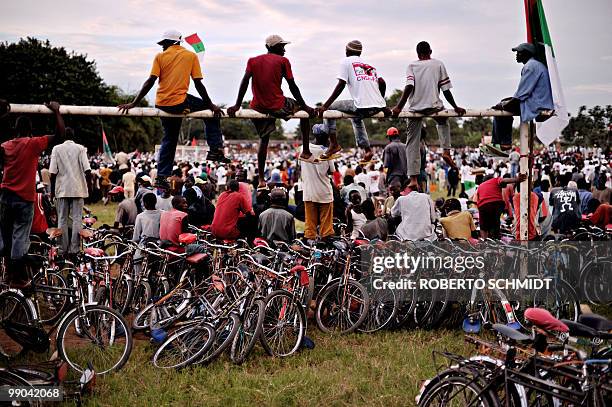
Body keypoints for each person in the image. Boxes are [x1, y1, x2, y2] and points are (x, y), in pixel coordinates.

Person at [118, 29, 228, 190]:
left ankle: (162, 176)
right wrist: (211, 105)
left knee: (169, 139)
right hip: (179, 102)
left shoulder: (160, 57)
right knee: (211, 113)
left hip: (162, 103)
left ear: (171, 43)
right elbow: (198, 83)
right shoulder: (191, 56)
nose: (163, 47)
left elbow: (150, 81)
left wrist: (134, 102)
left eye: (164, 44)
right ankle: (215, 149)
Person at [227, 35, 315, 188]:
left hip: (258, 106)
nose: (284, 49)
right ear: (273, 47)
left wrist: (237, 105)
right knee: (304, 113)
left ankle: (261, 179)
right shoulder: (283, 61)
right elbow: (292, 86)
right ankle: (306, 150)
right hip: (278, 105)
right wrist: (305, 106)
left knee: (264, 140)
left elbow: (244, 82)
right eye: (282, 46)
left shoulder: (252, 60)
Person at [0, 100, 64, 286]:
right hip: (24, 198)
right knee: (20, 236)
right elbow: (60, 135)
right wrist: (57, 112)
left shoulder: (6, 146)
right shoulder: (33, 144)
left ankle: (8, 273)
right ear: (30, 130)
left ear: (15, 129)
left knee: (6, 236)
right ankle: (17, 278)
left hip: (5, 196)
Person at [392, 41, 466, 187]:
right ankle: (446, 150)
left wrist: (399, 107)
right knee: (443, 121)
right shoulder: (438, 64)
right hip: (434, 106)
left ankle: (413, 179)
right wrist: (455, 106)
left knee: (412, 141)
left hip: (415, 108)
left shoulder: (412, 66)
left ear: (417, 54)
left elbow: (409, 86)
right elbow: (445, 89)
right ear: (430, 51)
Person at [316, 40, 390, 161]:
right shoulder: (369, 65)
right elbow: (382, 82)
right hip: (376, 107)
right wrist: (382, 103)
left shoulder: (346, 61)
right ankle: (367, 150)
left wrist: (325, 106)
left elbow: (341, 84)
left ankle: (333, 144)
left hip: (362, 106)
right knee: (356, 117)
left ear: (347, 51)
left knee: (329, 110)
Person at [484, 43, 554, 156]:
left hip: (537, 104)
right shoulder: (536, 65)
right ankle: (502, 143)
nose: (516, 55)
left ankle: (502, 143)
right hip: (539, 101)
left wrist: (504, 105)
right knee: (504, 103)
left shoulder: (530, 66)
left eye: (519, 53)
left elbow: (521, 94)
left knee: (500, 109)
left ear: (526, 54)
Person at [49, 127, 91, 255]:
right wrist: (87, 187)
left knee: (62, 219)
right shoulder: (80, 149)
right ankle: (75, 249)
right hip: (78, 188)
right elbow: (87, 170)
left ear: (63, 137)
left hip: (62, 189)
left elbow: (53, 173)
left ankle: (62, 249)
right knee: (77, 219)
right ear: (74, 136)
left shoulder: (56, 149)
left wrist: (52, 192)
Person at [299, 124, 336, 241]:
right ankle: (325, 245)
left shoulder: (303, 148)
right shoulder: (327, 151)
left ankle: (309, 247)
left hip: (309, 192)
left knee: (310, 226)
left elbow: (300, 166)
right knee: (326, 229)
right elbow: (331, 171)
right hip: (324, 192)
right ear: (325, 137)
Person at [473, 173, 526, 239]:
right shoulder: (495, 180)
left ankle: (484, 241)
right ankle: (496, 238)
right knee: (495, 223)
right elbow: (504, 181)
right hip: (496, 203)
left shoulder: (480, 186)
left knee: (483, 227)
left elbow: (477, 201)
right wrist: (517, 179)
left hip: (483, 206)